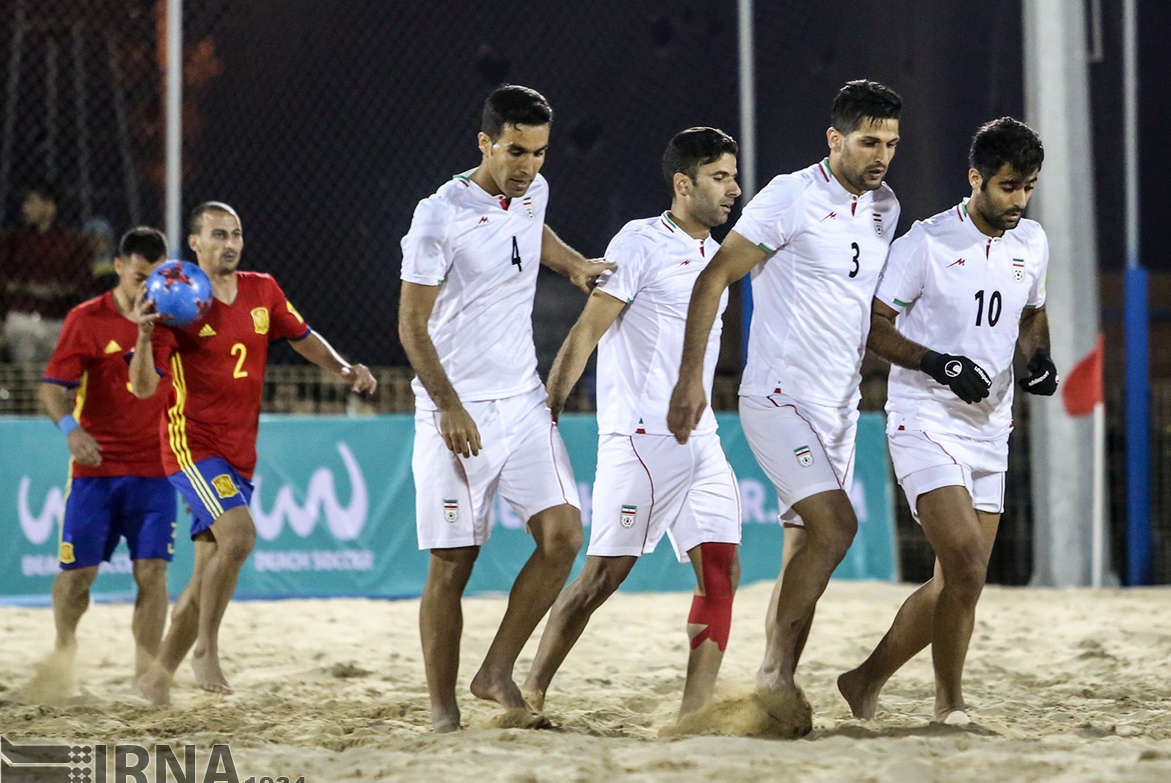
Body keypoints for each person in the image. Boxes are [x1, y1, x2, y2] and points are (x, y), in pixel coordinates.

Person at [667, 80, 902, 705]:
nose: (881, 155)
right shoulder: (790, 196)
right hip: (778, 397)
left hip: (840, 408)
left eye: (892, 144)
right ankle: (773, 675)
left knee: (810, 550)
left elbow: (866, 308)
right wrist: (693, 377)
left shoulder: (886, 208)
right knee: (837, 527)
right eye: (868, 141)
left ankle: (776, 678)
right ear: (835, 139)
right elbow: (715, 275)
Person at [398, 84, 613, 732]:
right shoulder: (438, 215)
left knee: (564, 536)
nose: (528, 167)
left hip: (521, 402)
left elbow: (532, 230)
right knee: (452, 563)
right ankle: (441, 708)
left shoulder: (532, 190)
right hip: (454, 414)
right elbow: (411, 324)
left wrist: (572, 263)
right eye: (515, 151)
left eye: (540, 153)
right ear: (485, 142)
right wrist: (449, 406)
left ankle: (495, 671)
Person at [838, 117, 1055, 724]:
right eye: (1008, 186)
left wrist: (1039, 360)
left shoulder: (1031, 242)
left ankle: (863, 681)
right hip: (924, 418)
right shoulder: (925, 244)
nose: (1019, 200)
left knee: (959, 580)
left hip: (992, 428)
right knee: (965, 562)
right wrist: (939, 363)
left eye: (1028, 187)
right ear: (975, 179)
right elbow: (874, 327)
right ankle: (950, 704)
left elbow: (1031, 314)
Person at [523, 128, 744, 720]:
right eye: (720, 177)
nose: (734, 189)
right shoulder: (641, 242)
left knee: (721, 569)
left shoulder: (719, 257)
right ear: (683, 184)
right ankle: (531, 691)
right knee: (600, 579)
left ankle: (694, 714)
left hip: (701, 441)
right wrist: (547, 410)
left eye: (733, 176)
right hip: (640, 442)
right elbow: (586, 333)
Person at [131, 201, 377, 704]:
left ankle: (156, 679)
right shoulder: (177, 304)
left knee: (206, 575)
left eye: (236, 234)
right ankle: (207, 648)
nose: (230, 243)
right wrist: (143, 331)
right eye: (218, 234)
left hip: (239, 452)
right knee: (239, 538)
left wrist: (344, 368)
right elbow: (141, 388)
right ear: (194, 243)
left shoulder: (263, 289)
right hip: (191, 445)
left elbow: (303, 339)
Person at [37, 226, 174, 693]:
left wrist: (146, 331)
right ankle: (64, 650)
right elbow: (54, 386)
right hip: (96, 470)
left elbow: (151, 387)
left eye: (155, 278)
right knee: (78, 576)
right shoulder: (86, 318)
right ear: (119, 267)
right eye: (139, 277)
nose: (147, 288)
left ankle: (146, 674)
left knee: (152, 572)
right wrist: (69, 429)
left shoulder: (170, 321)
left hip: (155, 470)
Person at [0, 182, 91, 364]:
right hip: (22, 314)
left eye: (32, 202)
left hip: (58, 317)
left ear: (50, 206)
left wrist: (58, 291)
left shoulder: (72, 242)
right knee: (20, 335)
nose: (25, 208)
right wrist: (25, 288)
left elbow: (84, 282)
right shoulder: (14, 241)